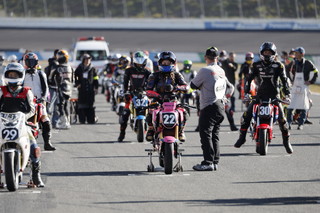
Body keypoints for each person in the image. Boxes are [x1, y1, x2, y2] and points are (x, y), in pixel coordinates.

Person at [234, 42, 293, 154]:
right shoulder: (256, 65)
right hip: (259, 96)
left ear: (273, 53)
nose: (267, 54)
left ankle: (286, 142)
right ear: (261, 53)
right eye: (265, 52)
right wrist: (246, 93)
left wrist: (287, 95)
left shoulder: (279, 66)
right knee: (246, 117)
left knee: (283, 121)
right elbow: (248, 79)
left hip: (274, 97)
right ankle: (242, 138)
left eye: (269, 52)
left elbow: (284, 81)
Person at [0, 63, 44, 187]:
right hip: (3, 123)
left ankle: (36, 176)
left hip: (22, 123)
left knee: (34, 147)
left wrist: (23, 117)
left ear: (21, 75)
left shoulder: (26, 92)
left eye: (15, 74)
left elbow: (32, 109)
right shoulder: (2, 91)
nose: (13, 76)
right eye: (10, 74)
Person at [191, 46, 234, 171]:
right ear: (217, 58)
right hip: (220, 105)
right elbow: (229, 87)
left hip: (208, 105)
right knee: (215, 134)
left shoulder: (205, 70)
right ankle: (215, 161)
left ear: (205, 57)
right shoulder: (221, 70)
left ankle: (208, 162)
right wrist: (226, 97)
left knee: (205, 134)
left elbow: (193, 85)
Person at [146, 51, 188, 142]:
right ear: (160, 63)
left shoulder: (177, 75)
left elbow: (186, 87)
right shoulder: (154, 75)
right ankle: (151, 129)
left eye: (168, 62)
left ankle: (181, 131)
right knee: (151, 112)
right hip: (158, 101)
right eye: (164, 62)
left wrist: (176, 88)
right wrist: (157, 95)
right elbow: (148, 90)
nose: (166, 64)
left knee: (184, 112)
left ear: (173, 63)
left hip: (173, 101)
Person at [23, 52, 56, 151]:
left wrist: (43, 98)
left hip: (39, 102)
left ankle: (47, 143)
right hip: (26, 103)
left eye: (33, 61)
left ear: (36, 62)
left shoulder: (41, 74)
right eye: (29, 61)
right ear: (26, 62)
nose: (31, 64)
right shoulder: (23, 74)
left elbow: (46, 88)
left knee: (46, 121)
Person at [117, 51, 151, 142]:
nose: (140, 63)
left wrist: (152, 93)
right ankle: (122, 133)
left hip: (144, 94)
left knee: (153, 111)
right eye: (138, 61)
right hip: (131, 94)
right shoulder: (129, 70)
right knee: (125, 113)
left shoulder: (147, 71)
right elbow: (125, 82)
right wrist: (125, 92)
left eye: (141, 61)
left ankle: (152, 132)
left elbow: (151, 84)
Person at [286, 47, 318, 130]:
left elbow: (316, 72)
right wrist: (291, 80)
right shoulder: (293, 62)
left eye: (297, 53)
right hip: (295, 86)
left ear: (302, 54)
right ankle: (288, 123)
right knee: (290, 105)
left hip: (304, 86)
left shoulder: (308, 63)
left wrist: (311, 81)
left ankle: (301, 123)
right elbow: (286, 70)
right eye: (295, 53)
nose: (295, 54)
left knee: (304, 106)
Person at [49, 50, 74, 129]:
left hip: (60, 89)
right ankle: (67, 121)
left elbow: (50, 78)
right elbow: (73, 80)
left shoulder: (57, 68)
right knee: (67, 105)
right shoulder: (70, 67)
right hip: (69, 89)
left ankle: (65, 122)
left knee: (61, 106)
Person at [74, 54, 99, 124]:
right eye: (86, 59)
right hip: (82, 90)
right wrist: (77, 83)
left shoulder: (93, 68)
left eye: (89, 59)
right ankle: (82, 119)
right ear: (83, 60)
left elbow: (96, 78)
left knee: (90, 104)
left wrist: (96, 87)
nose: (87, 60)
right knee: (82, 104)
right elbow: (75, 76)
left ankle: (91, 119)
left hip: (91, 90)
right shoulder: (79, 68)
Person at [45, 49, 60, 128]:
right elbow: (50, 77)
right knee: (49, 107)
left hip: (59, 88)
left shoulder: (61, 63)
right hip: (52, 87)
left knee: (57, 106)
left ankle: (55, 122)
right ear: (55, 55)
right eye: (58, 54)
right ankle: (47, 122)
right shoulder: (53, 64)